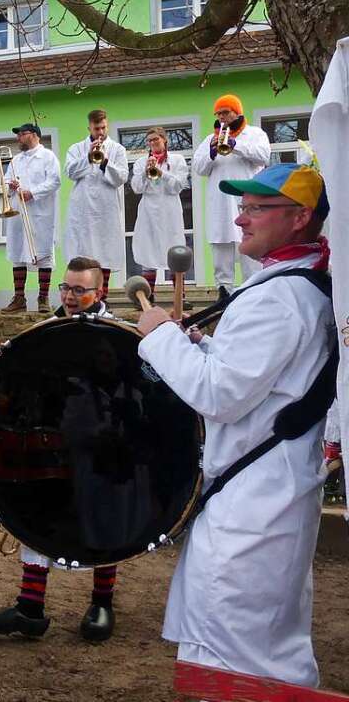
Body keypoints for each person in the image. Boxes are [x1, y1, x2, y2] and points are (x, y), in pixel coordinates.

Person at [137, 163, 334, 687]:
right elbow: (256, 382)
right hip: (262, 494)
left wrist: (159, 337)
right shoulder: (297, 283)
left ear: (300, 218)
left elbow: (217, 395)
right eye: (242, 206)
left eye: (256, 208)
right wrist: (204, 347)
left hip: (254, 506)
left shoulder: (279, 297)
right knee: (248, 653)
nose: (241, 219)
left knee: (240, 666)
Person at [0, 256, 120, 643]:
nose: (71, 297)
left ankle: (102, 604)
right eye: (66, 288)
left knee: (101, 519)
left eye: (80, 290)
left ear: (99, 290)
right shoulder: (46, 331)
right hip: (52, 442)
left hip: (104, 445)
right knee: (37, 515)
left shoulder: (117, 334)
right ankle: (30, 608)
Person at [191, 94, 270, 297]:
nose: (222, 117)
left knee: (251, 249)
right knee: (221, 249)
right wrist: (211, 151)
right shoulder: (210, 139)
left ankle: (253, 292)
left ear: (238, 112)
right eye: (218, 114)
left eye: (225, 112)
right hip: (219, 205)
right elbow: (198, 168)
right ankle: (224, 292)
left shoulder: (254, 133)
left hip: (248, 202)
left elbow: (263, 155)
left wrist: (235, 146)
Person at [64, 110, 128, 296]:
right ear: (89, 128)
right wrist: (87, 157)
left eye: (103, 127)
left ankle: (102, 297)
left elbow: (121, 178)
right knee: (84, 254)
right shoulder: (76, 149)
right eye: (96, 128)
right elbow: (70, 172)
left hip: (106, 208)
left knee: (105, 252)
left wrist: (105, 162)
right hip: (82, 209)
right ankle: (83, 296)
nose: (100, 132)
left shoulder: (117, 149)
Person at [0, 124, 61, 314]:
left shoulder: (48, 157)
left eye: (22, 134)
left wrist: (32, 193)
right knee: (18, 254)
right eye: (17, 134)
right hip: (18, 212)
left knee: (43, 254)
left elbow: (55, 181)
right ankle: (19, 298)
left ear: (34, 135)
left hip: (40, 213)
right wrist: (10, 185)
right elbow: (6, 183)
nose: (18, 137)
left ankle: (43, 298)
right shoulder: (15, 160)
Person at [131, 126, 189, 298]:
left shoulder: (177, 160)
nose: (152, 143)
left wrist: (162, 173)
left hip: (170, 211)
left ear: (164, 139)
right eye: (149, 141)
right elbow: (136, 188)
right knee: (148, 251)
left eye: (156, 139)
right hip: (148, 211)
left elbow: (177, 187)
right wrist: (144, 173)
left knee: (174, 251)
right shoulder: (141, 162)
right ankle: (149, 296)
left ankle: (180, 296)